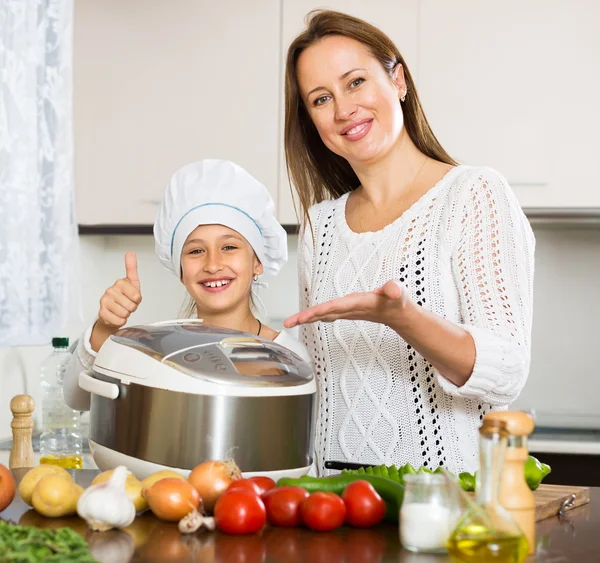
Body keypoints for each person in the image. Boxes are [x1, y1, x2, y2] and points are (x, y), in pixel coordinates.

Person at [282, 10, 535, 476]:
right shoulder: (320, 226)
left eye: (355, 82)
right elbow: (315, 377)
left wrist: (404, 319)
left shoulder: (473, 195)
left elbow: (507, 372)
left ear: (397, 79)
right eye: (321, 99)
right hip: (335, 506)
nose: (343, 110)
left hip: (443, 502)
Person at [64, 159, 310, 411]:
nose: (213, 264)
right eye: (195, 250)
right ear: (180, 270)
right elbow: (77, 399)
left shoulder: (291, 359)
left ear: (257, 262)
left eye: (229, 247)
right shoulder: (159, 353)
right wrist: (105, 327)